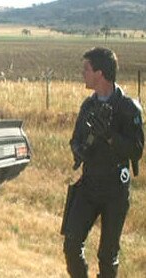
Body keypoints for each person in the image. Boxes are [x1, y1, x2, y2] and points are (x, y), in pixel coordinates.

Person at [63, 47, 144, 277]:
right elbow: (74, 140)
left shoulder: (128, 108)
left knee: (108, 256)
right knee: (71, 245)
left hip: (115, 189)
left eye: (86, 69)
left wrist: (109, 136)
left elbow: (136, 151)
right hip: (89, 185)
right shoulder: (88, 106)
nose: (83, 73)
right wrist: (79, 150)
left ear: (100, 73)